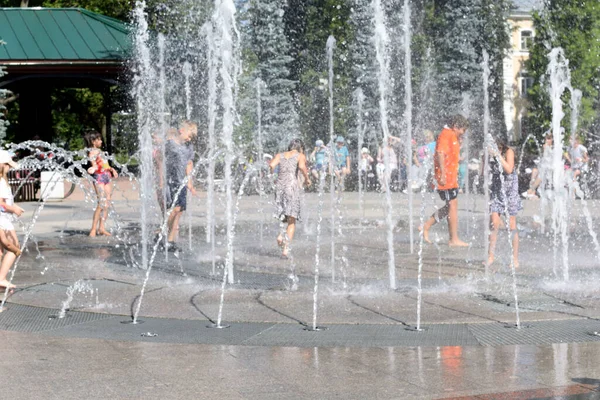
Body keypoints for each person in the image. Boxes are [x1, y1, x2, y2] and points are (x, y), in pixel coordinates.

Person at [420, 115, 470, 246]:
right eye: (462, 130)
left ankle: (427, 227)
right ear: (455, 127)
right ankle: (452, 238)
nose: (463, 133)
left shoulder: (452, 136)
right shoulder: (445, 134)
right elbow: (440, 153)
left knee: (451, 206)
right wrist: (442, 174)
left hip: (451, 178)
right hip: (446, 178)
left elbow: (452, 156)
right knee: (451, 206)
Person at [269, 139, 311, 258]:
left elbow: (271, 165)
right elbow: (302, 167)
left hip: (279, 187)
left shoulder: (280, 155)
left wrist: (272, 176)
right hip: (292, 188)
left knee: (284, 217)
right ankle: (285, 249)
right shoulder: (300, 155)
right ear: (300, 148)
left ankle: (280, 236)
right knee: (292, 221)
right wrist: (307, 179)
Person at [486, 139, 522, 268]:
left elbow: (508, 169)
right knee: (493, 223)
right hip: (496, 192)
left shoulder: (508, 152)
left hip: (510, 192)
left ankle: (515, 259)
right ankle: (490, 256)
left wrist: (497, 155)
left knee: (512, 226)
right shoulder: (489, 154)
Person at [165, 120, 198, 251]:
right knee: (175, 209)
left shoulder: (188, 147)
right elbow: (161, 160)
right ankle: (162, 231)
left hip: (182, 182)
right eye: (189, 136)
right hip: (172, 181)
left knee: (179, 211)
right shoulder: (170, 145)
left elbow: (189, 164)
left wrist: (190, 183)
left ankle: (170, 240)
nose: (189, 139)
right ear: (181, 131)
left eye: (191, 138)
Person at [85, 131, 118, 237]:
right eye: (99, 139)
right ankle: (93, 228)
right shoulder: (92, 153)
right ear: (93, 141)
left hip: (107, 177)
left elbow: (105, 165)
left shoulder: (101, 152)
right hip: (99, 178)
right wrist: (93, 168)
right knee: (101, 203)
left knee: (107, 203)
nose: (101, 141)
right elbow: (94, 164)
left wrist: (112, 170)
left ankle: (102, 228)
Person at [0, 150, 24, 290]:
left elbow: (6, 201)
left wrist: (15, 206)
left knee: (0, 250)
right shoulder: (2, 182)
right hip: (3, 220)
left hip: (3, 218)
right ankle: (1, 278)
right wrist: (13, 210)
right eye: (8, 165)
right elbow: (1, 203)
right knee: (14, 246)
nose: (9, 168)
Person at [524, 133, 553, 199]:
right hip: (544, 167)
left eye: (548, 139)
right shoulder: (545, 147)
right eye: (546, 139)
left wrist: (547, 148)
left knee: (541, 175)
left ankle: (530, 190)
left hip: (551, 168)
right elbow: (544, 159)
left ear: (552, 140)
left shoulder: (554, 148)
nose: (546, 141)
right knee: (534, 171)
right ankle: (532, 191)